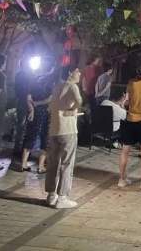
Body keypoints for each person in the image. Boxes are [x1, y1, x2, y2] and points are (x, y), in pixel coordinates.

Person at [46, 68, 82, 208]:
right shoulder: (72, 86)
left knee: (53, 163)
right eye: (77, 71)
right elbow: (79, 100)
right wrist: (72, 110)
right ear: (69, 73)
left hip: (54, 129)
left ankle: (51, 195)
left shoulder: (58, 87)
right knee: (67, 163)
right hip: (68, 129)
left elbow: (50, 109)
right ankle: (62, 197)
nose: (79, 74)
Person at [118, 62, 141, 190]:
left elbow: (127, 101)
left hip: (131, 119)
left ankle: (122, 179)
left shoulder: (131, 83)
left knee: (125, 149)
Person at [19, 62, 57, 173]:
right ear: (51, 68)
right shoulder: (52, 82)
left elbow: (28, 96)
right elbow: (50, 98)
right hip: (46, 112)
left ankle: (23, 164)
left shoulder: (34, 80)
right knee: (45, 138)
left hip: (34, 112)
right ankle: (40, 166)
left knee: (30, 135)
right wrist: (38, 104)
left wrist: (32, 109)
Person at [13, 59, 37, 156]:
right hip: (26, 101)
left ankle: (18, 147)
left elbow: (16, 89)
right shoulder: (29, 75)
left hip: (20, 101)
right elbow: (29, 90)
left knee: (20, 125)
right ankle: (23, 149)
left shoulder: (19, 75)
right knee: (25, 125)